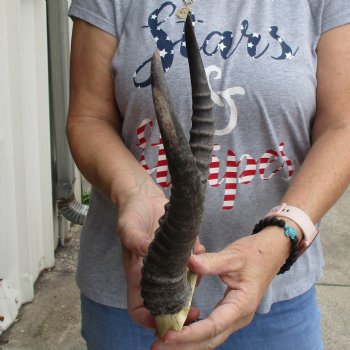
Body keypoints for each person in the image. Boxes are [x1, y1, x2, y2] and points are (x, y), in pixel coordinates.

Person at [67, 0, 350, 349]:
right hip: (137, 299)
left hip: (274, 300)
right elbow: (88, 118)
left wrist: (283, 234)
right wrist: (133, 190)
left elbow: (342, 127)